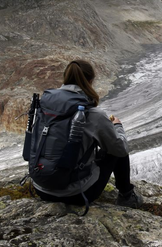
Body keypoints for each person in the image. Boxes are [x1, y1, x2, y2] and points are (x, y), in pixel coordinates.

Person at [31, 59, 143, 209]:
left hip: (41, 188)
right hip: (75, 194)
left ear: (65, 78)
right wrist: (117, 126)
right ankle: (127, 196)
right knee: (116, 146)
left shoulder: (45, 105)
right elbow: (120, 149)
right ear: (90, 81)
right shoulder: (93, 113)